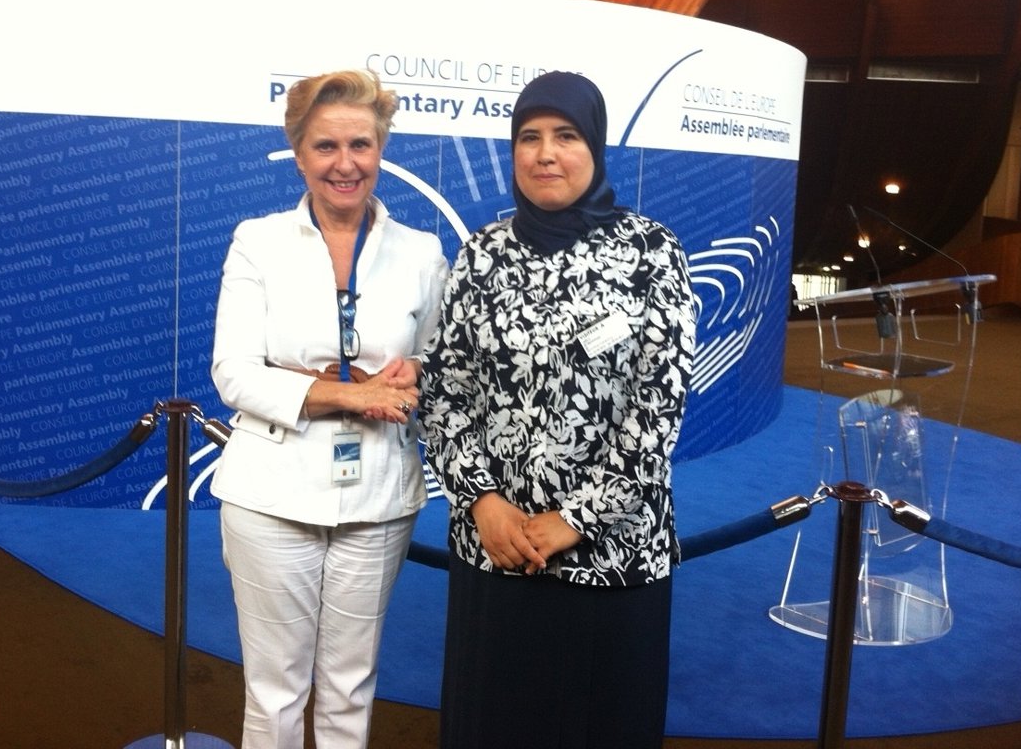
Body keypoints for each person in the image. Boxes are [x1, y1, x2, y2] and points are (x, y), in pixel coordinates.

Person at [420, 70, 696, 749]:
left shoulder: (650, 252)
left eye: (566, 135)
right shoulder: (483, 254)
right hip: (497, 549)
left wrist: (575, 519)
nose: (545, 153)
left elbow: (656, 408)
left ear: (595, 146)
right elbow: (447, 391)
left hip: (612, 555)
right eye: (529, 136)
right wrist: (482, 501)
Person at [210, 69, 448, 748]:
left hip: (379, 496)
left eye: (361, 145)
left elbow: (440, 365)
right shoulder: (258, 241)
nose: (346, 164)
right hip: (269, 496)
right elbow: (234, 373)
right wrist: (352, 393)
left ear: (381, 149)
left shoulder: (422, 252)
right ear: (299, 153)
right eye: (326, 146)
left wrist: (417, 372)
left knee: (350, 686)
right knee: (275, 691)